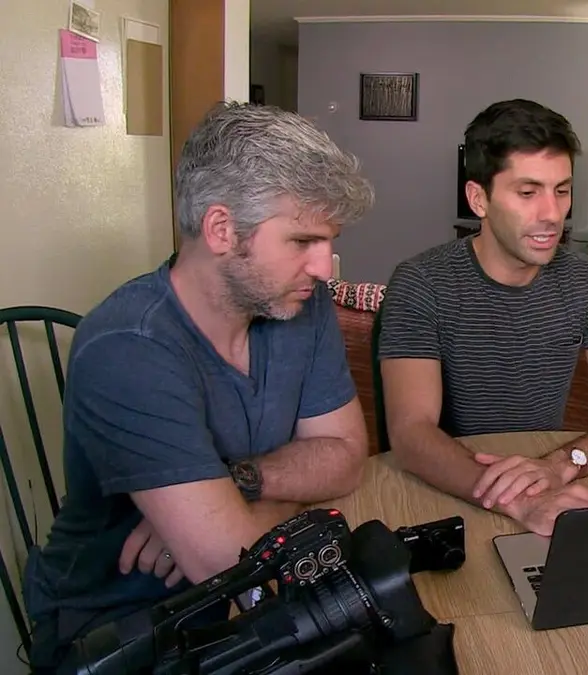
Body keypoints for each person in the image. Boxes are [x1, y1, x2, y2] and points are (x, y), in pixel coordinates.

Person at [22, 102, 374, 670]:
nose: (323, 267)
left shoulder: (301, 307)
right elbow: (226, 563)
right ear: (221, 229)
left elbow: (347, 458)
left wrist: (236, 485)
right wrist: (268, 505)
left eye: (327, 241)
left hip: (245, 606)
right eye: (301, 241)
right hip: (120, 629)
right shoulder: (127, 346)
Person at [377, 99, 588, 535]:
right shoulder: (421, 283)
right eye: (528, 193)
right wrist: (519, 499)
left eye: (561, 191)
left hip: (547, 474)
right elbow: (411, 433)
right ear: (479, 199)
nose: (552, 214)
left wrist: (565, 464)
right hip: (450, 492)